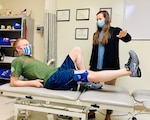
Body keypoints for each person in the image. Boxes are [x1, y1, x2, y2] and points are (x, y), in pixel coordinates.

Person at [10, 38, 141, 93]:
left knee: (76, 50)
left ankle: (86, 83)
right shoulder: (18, 61)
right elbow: (13, 82)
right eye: (25, 45)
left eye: (29, 44)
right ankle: (129, 70)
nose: (29, 46)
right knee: (87, 74)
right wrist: (32, 83)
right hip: (53, 79)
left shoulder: (30, 58)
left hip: (58, 72)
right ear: (18, 49)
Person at [89, 10, 134, 120]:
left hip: (110, 69)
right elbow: (93, 52)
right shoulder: (96, 34)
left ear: (106, 19)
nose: (98, 21)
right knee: (93, 92)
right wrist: (90, 66)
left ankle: (108, 114)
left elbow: (127, 38)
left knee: (109, 93)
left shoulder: (115, 31)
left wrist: (125, 35)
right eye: (97, 19)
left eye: (100, 19)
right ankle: (92, 111)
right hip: (96, 69)